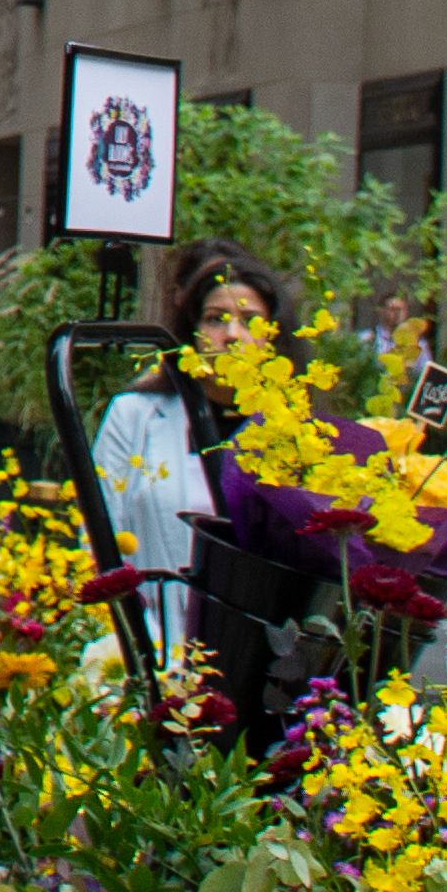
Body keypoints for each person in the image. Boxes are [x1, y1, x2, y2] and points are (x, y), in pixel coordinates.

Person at [90, 242, 294, 655]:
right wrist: (133, 641)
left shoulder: (295, 434)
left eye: (251, 321)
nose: (232, 335)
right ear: (192, 331)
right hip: (147, 647)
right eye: (216, 319)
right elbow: (95, 538)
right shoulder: (135, 415)